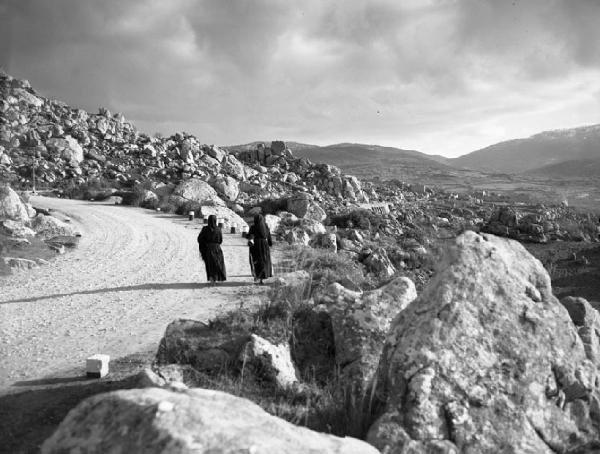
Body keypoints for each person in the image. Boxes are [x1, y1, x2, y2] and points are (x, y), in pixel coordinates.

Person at [197, 215, 226, 284]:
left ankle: (212, 279)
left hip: (208, 248)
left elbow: (199, 239)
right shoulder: (219, 229)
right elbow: (220, 240)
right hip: (217, 248)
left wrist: (204, 244)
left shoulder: (205, 229)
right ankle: (218, 278)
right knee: (219, 263)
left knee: (210, 264)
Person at [247, 214, 273, 284]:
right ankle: (263, 278)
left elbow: (249, 236)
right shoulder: (266, 226)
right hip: (264, 244)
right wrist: (270, 243)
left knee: (256, 260)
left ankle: (257, 277)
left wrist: (247, 236)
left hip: (256, 245)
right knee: (264, 260)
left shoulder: (253, 227)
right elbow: (269, 236)